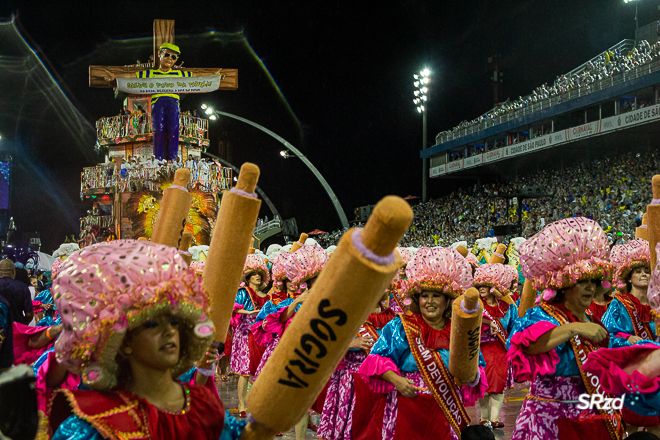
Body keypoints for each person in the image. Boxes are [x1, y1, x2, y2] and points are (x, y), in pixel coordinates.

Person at [47, 240, 246, 439]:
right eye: (152, 324)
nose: (169, 331)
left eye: (174, 322)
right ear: (124, 343)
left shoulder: (204, 407)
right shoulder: (95, 425)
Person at [353, 247, 487, 440]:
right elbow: (377, 358)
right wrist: (397, 381)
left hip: (445, 406)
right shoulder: (401, 326)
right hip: (406, 403)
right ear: (417, 299)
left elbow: (477, 364)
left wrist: (470, 376)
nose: (429, 302)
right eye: (424, 296)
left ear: (447, 300)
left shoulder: (458, 330)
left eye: (436, 296)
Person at [507, 217, 624, 440]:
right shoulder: (544, 314)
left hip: (592, 417)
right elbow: (526, 345)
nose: (589, 288)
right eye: (581, 281)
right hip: (551, 420)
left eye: (593, 281)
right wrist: (574, 329)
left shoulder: (593, 320)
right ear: (563, 283)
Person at [602, 237, 660, 434]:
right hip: (631, 374)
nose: (644, 274)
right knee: (632, 425)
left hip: (656, 373)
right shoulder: (619, 304)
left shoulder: (657, 304)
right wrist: (626, 339)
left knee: (656, 425)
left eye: (646, 270)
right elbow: (605, 336)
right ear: (628, 277)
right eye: (638, 271)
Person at [473, 263, 517, 429]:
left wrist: (512, 343)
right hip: (480, 350)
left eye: (486, 285)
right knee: (482, 383)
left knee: (497, 383)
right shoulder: (475, 305)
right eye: (479, 285)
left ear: (496, 286)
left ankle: (494, 417)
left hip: (500, 350)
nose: (481, 288)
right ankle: (484, 418)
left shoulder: (509, 307)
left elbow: (514, 327)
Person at [230, 254, 270, 416]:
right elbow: (233, 307)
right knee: (245, 371)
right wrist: (249, 312)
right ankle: (241, 404)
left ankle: (259, 404)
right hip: (245, 332)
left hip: (262, 334)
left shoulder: (266, 296)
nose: (257, 277)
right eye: (253, 275)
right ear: (248, 277)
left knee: (262, 370)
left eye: (259, 275)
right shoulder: (243, 292)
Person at [0, 259, 33, 326]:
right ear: (13, 271)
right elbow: (29, 314)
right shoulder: (23, 287)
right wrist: (24, 324)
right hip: (16, 328)